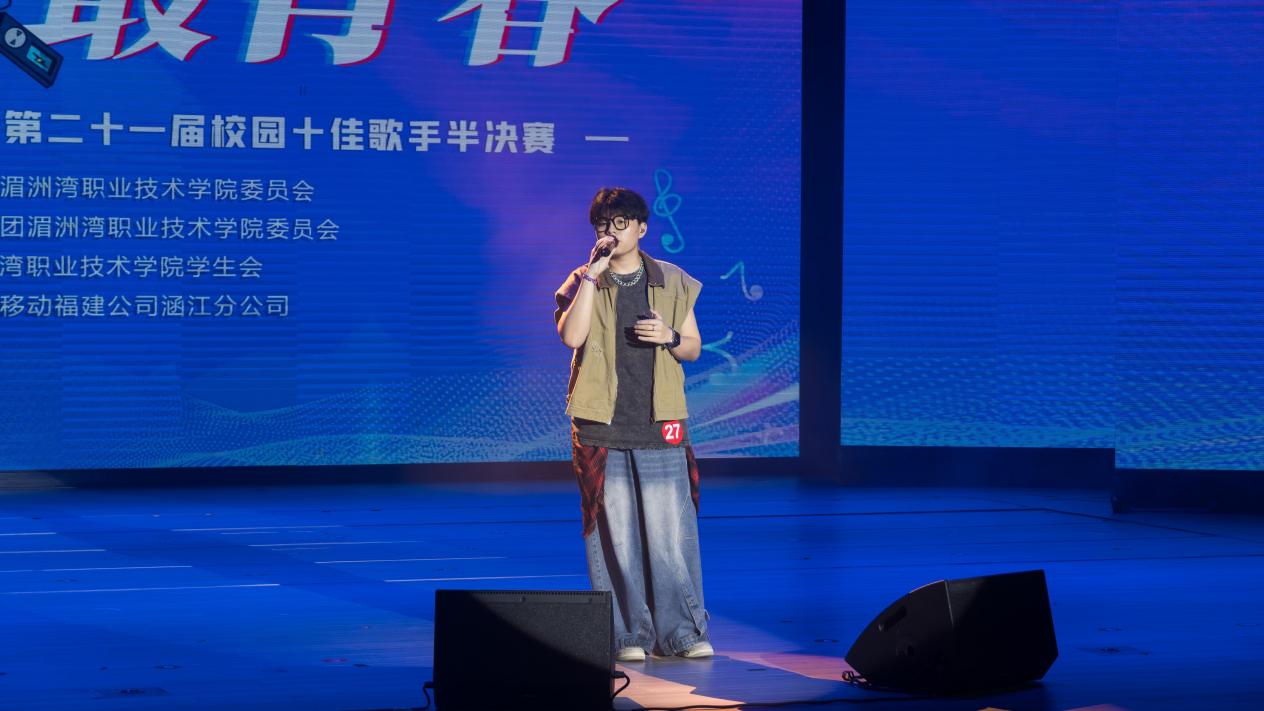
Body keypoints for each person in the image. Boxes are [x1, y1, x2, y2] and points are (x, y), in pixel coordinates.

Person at [554, 186, 713, 662]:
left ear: (642, 228)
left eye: (620, 223)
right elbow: (572, 336)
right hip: (601, 426)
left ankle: (682, 633)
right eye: (603, 224)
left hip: (660, 422)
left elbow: (692, 347)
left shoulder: (672, 279)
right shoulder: (583, 279)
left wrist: (668, 335)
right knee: (617, 538)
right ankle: (628, 636)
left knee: (670, 537)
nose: (611, 231)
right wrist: (591, 276)